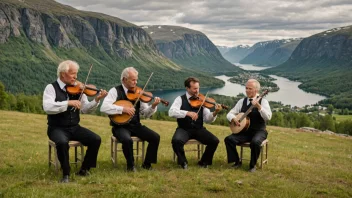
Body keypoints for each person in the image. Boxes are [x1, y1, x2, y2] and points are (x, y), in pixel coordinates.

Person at [43, 60, 108, 183]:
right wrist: (68, 103)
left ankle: (84, 169)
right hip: (57, 128)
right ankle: (66, 174)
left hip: (74, 127)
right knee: (62, 142)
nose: (76, 77)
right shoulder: (51, 88)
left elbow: (85, 109)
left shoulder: (78, 89)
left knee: (96, 139)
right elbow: (48, 107)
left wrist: (97, 99)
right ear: (63, 74)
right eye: (73, 74)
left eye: (76, 74)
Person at [100, 67, 161, 172]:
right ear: (124, 79)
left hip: (135, 125)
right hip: (119, 126)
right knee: (127, 140)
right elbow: (103, 108)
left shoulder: (139, 92)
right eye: (133, 80)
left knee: (155, 137)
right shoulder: (114, 91)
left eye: (136, 79)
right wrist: (123, 109)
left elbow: (145, 113)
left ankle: (147, 164)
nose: (135, 82)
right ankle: (131, 165)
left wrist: (153, 106)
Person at [168, 77, 222, 169]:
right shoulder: (180, 99)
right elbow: (171, 112)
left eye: (198, 88)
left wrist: (215, 113)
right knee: (176, 141)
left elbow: (207, 119)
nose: (197, 91)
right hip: (184, 129)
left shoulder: (202, 100)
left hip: (198, 129)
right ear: (187, 88)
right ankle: (183, 162)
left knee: (214, 141)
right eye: (194, 89)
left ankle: (203, 162)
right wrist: (187, 113)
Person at [224, 79, 272, 173]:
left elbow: (268, 117)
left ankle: (252, 165)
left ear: (256, 90)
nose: (247, 90)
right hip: (245, 132)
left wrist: (259, 107)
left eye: (250, 88)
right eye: (246, 88)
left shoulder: (263, 101)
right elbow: (229, 114)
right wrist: (233, 119)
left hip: (259, 131)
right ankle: (237, 162)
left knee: (255, 142)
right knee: (228, 139)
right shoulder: (242, 101)